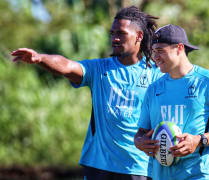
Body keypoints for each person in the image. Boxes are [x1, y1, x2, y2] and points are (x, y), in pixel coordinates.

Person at [11, 6, 162, 180]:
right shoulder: (99, 69)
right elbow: (67, 66)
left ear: (139, 36)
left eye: (121, 33)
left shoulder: (155, 75)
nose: (115, 38)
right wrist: (40, 58)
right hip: (99, 165)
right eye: (112, 33)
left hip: (138, 167)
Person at [134, 24, 209, 180]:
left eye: (160, 51)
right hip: (160, 175)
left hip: (198, 174)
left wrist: (198, 140)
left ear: (179, 48)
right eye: (153, 51)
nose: (155, 57)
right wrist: (140, 142)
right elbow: (141, 133)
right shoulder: (153, 89)